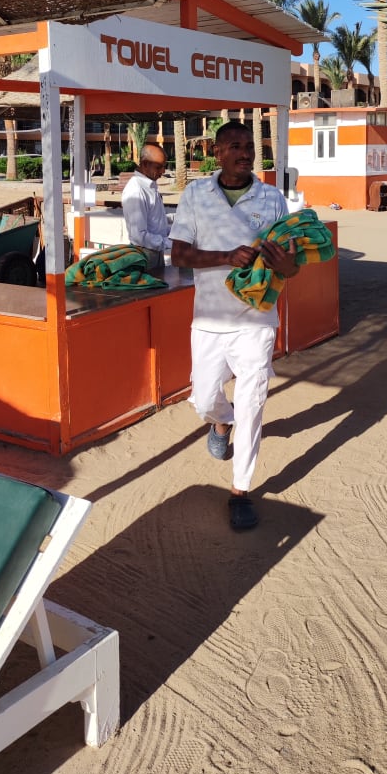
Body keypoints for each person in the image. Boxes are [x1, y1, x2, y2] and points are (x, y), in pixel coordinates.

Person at [170, 121, 299, 531]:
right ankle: (220, 422)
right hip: (209, 319)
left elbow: (291, 263)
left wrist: (287, 265)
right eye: (236, 146)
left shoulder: (272, 198)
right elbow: (178, 255)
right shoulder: (196, 195)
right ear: (217, 152)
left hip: (256, 320)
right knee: (203, 399)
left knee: (252, 403)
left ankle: (240, 490)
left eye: (250, 147)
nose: (245, 153)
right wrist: (225, 257)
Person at [121, 143, 172, 271]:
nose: (163, 171)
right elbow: (139, 236)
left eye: (164, 166)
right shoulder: (136, 190)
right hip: (145, 256)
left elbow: (155, 224)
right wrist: (170, 243)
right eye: (158, 167)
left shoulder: (149, 186)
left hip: (156, 253)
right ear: (144, 164)